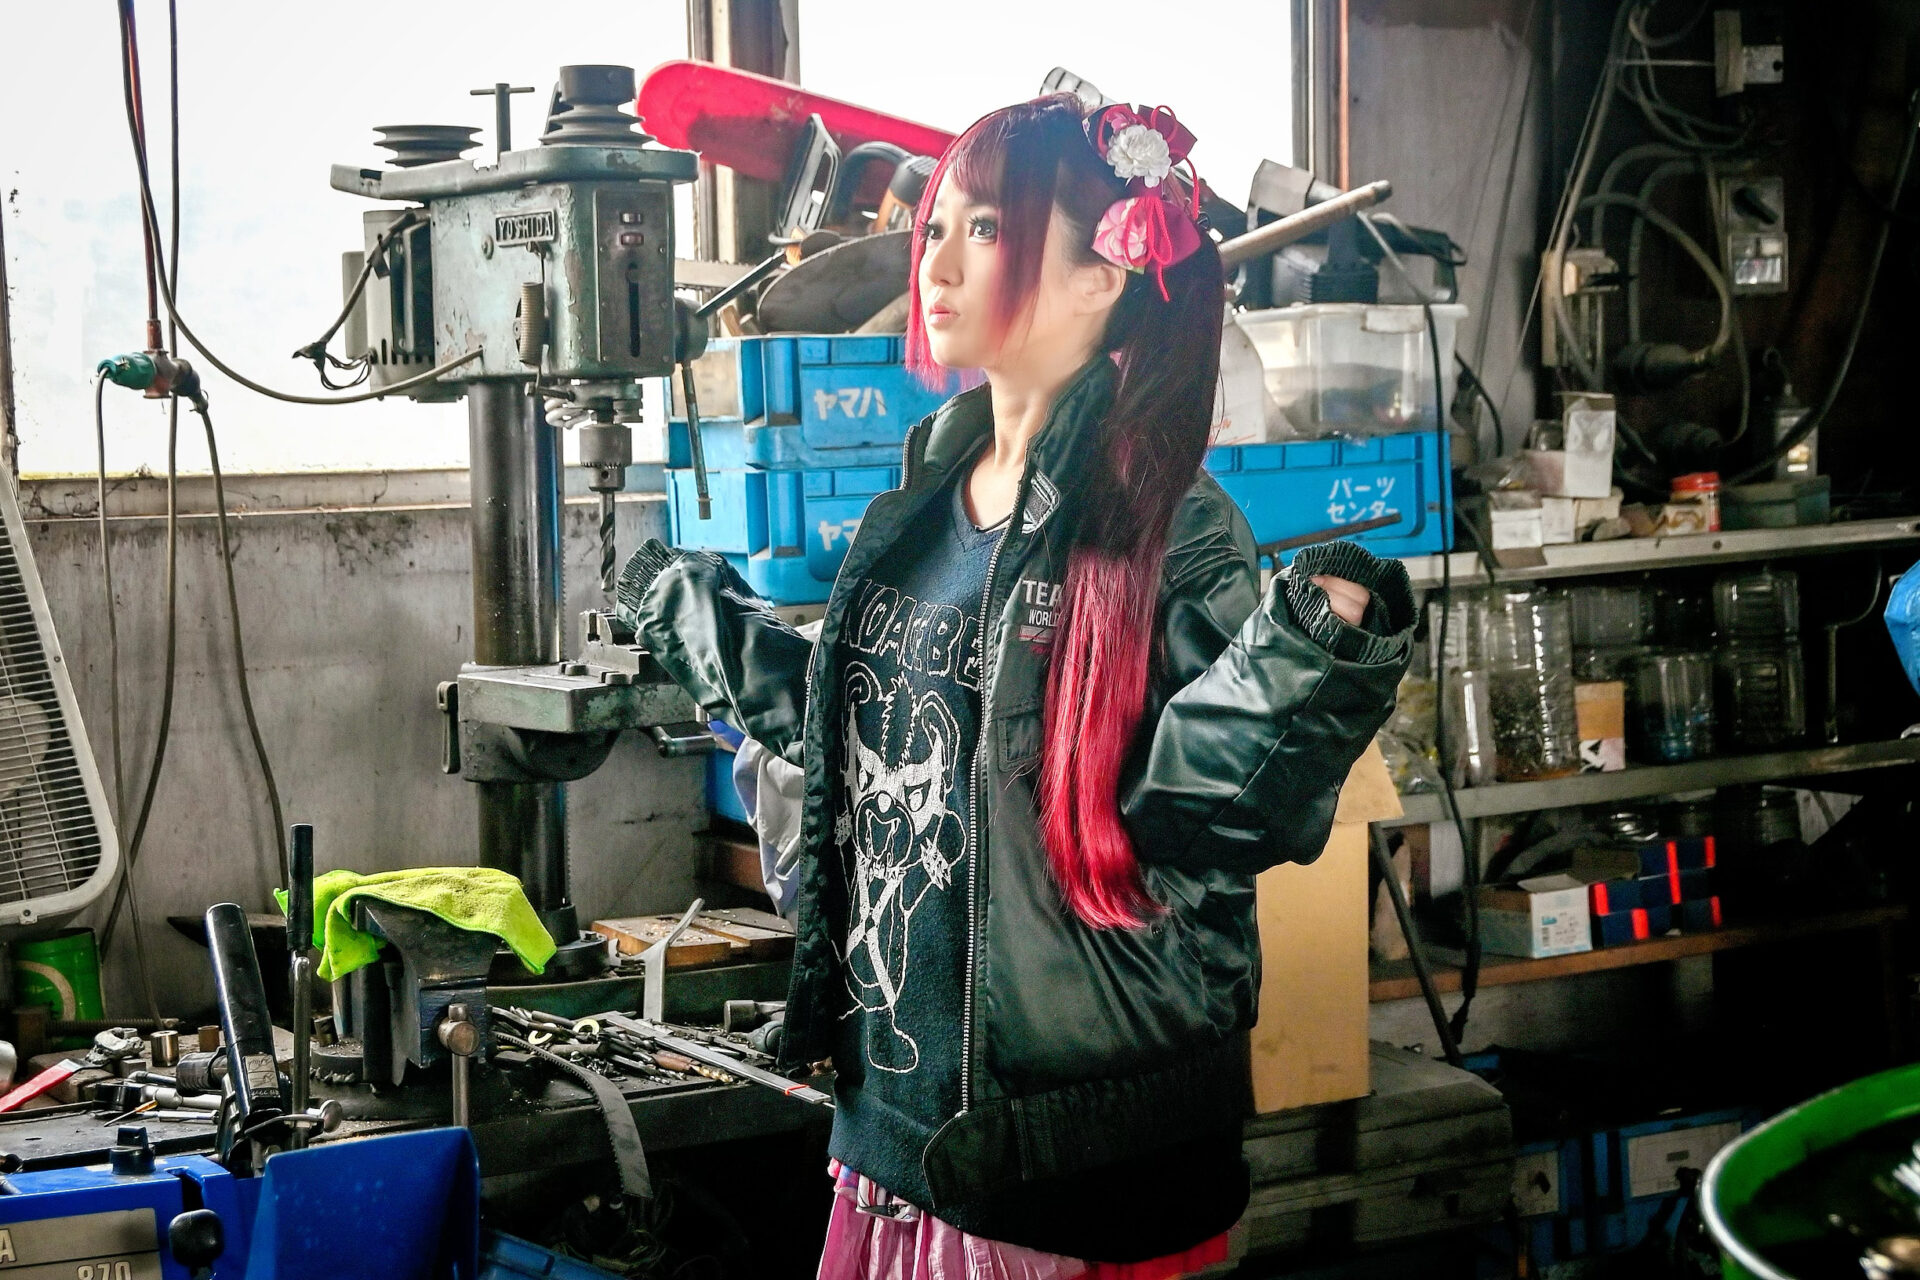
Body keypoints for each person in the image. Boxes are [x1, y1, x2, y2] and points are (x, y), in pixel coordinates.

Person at [618, 93, 1415, 1279]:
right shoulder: (926, 499)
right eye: (936, 225)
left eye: (985, 228)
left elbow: (1209, 814)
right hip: (898, 1133)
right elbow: (862, 731)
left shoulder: (1170, 527)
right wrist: (689, 611)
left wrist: (1315, 652)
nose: (934, 261)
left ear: (1100, 276)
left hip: (1069, 1167)